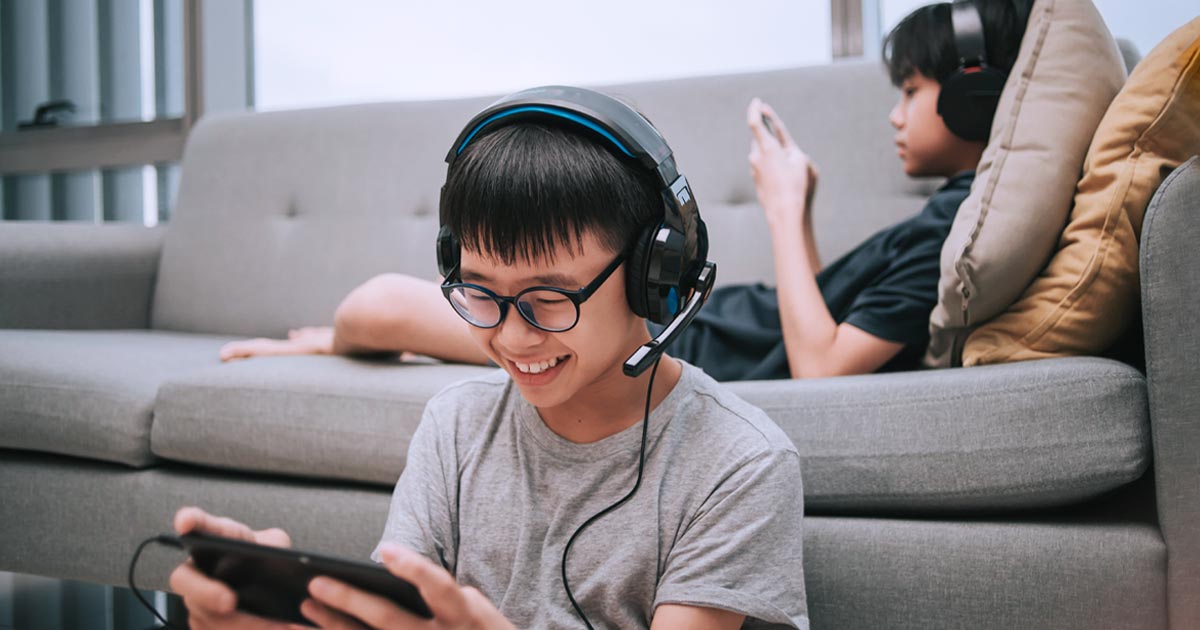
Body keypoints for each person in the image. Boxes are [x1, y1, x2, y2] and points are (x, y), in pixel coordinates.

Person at [169, 87, 808, 628]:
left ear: (653, 278)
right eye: (480, 293)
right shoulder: (455, 426)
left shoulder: (741, 465)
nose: (512, 337)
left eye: (549, 298)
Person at [218, 0, 1032, 382]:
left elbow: (819, 367)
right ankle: (357, 338)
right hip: (714, 322)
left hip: (683, 340)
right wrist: (805, 216)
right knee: (389, 310)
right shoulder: (949, 213)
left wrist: (782, 213)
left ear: (973, 95)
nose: (895, 115)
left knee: (372, 306)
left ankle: (330, 341)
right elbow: (813, 313)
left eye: (914, 91)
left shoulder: (952, 230)